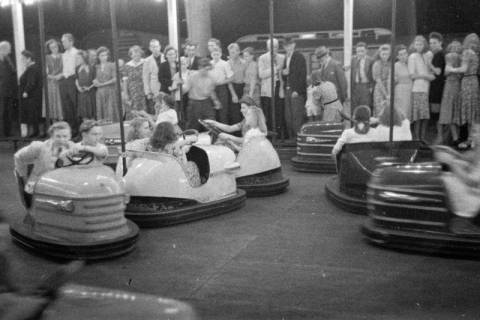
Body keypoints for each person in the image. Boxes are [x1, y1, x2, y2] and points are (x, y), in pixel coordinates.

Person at [436, 122, 480, 234]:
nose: (471, 135)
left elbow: (471, 181)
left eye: (475, 131)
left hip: (473, 195)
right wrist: (452, 153)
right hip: (471, 188)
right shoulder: (477, 148)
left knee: (441, 182)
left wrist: (451, 162)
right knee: (443, 176)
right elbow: (468, 157)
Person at [14, 121, 75, 195]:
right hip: (39, 186)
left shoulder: (74, 148)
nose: (62, 140)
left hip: (64, 187)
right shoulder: (39, 147)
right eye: (58, 136)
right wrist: (22, 177)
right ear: (52, 136)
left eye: (65, 136)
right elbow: (18, 157)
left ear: (70, 136)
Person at [203, 96, 267, 151]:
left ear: (251, 109)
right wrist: (214, 123)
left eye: (243, 108)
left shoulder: (254, 122)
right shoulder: (245, 120)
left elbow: (245, 139)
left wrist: (228, 137)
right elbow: (230, 128)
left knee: (220, 144)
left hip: (250, 149)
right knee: (220, 142)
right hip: (245, 145)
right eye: (241, 108)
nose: (241, 110)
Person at [451, 33, 480, 149]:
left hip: (467, 81)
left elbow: (463, 69)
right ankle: (472, 139)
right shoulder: (476, 55)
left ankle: (471, 140)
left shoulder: (467, 53)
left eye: (474, 42)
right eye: (471, 42)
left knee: (469, 111)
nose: (473, 44)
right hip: (474, 81)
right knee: (472, 111)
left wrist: (451, 69)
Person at [150, 121, 201, 186]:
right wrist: (192, 139)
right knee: (194, 165)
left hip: (166, 171)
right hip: (180, 174)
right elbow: (193, 139)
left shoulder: (157, 147)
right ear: (170, 133)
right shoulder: (175, 145)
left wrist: (185, 148)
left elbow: (179, 148)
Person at [182, 58, 221, 131]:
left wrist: (216, 101)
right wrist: (179, 87)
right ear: (200, 68)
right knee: (192, 126)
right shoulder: (192, 76)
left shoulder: (211, 77)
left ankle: (212, 140)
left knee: (211, 124)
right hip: (194, 104)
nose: (207, 72)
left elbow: (212, 91)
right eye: (205, 69)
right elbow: (185, 88)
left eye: (208, 69)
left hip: (207, 103)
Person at [408, 35, 435, 141]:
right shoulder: (412, 56)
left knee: (425, 116)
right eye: (417, 44)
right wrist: (425, 76)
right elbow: (412, 75)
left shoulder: (429, 55)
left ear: (424, 45)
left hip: (428, 89)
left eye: (421, 44)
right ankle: (417, 138)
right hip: (418, 89)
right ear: (414, 45)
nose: (419, 46)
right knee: (418, 116)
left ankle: (423, 138)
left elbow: (433, 74)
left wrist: (428, 76)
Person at [258, 38, 285, 134]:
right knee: (268, 113)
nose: (274, 48)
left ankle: (279, 134)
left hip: (279, 87)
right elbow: (261, 74)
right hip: (267, 90)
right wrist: (275, 69)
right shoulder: (262, 58)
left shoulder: (282, 57)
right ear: (268, 47)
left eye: (276, 46)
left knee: (279, 112)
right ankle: (269, 134)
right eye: (272, 46)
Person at [282, 37, 307, 139]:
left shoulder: (299, 56)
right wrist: (283, 73)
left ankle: (298, 139)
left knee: (297, 116)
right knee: (288, 116)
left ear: (293, 45)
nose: (287, 47)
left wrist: (297, 90)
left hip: (295, 91)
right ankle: (292, 139)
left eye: (289, 45)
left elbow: (302, 75)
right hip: (287, 89)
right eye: (285, 46)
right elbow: (286, 74)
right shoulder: (285, 58)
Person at [437, 46, 462, 145]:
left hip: (455, 86)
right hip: (449, 86)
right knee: (449, 112)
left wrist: (453, 69)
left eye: (455, 50)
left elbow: (458, 75)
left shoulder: (461, 60)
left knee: (454, 112)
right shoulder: (448, 59)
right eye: (452, 50)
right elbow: (446, 72)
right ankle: (455, 138)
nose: (453, 53)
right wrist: (452, 67)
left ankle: (456, 137)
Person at [19, 50, 42, 138]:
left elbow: (31, 82)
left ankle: (35, 132)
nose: (22, 61)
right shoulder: (31, 68)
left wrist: (26, 91)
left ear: (29, 59)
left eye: (23, 59)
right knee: (32, 114)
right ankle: (35, 132)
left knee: (33, 114)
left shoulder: (32, 68)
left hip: (32, 95)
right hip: (32, 95)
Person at [59, 33, 79, 133]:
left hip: (73, 80)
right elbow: (64, 69)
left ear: (71, 41)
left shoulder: (77, 53)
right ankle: (70, 130)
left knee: (74, 105)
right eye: (62, 41)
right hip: (65, 81)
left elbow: (77, 69)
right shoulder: (64, 54)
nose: (63, 43)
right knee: (66, 107)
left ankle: (77, 130)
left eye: (64, 41)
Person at [94, 46, 118, 122]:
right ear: (98, 57)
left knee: (110, 109)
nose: (104, 57)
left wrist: (103, 84)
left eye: (106, 55)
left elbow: (115, 79)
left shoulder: (111, 65)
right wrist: (95, 82)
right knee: (101, 110)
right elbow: (94, 78)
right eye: (102, 55)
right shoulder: (96, 67)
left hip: (109, 90)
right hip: (100, 92)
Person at [428, 32, 446, 138]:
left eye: (434, 43)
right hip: (436, 87)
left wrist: (429, 64)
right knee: (436, 114)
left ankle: (440, 138)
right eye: (430, 43)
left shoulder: (439, 55)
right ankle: (440, 137)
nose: (432, 45)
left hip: (437, 88)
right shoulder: (437, 54)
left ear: (440, 43)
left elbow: (438, 72)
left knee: (436, 114)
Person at [209, 47, 233, 124]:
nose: (216, 56)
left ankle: (224, 132)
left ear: (221, 54)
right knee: (213, 112)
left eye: (217, 54)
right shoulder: (209, 64)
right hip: (211, 89)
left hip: (222, 88)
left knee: (223, 112)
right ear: (211, 55)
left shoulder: (225, 64)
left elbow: (231, 78)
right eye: (214, 54)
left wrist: (221, 82)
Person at [350, 42, 374, 111]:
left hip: (366, 86)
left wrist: (371, 87)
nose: (360, 53)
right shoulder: (353, 60)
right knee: (355, 106)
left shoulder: (370, 60)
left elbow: (372, 75)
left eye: (362, 51)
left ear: (366, 51)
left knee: (365, 106)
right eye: (358, 51)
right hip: (356, 86)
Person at [123, 45, 146, 116]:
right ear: (130, 55)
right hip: (133, 91)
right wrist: (126, 94)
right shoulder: (127, 65)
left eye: (138, 52)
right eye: (134, 53)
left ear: (140, 53)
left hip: (144, 89)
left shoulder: (145, 62)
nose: (136, 55)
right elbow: (125, 81)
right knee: (134, 111)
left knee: (145, 110)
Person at [0, 41, 17, 137]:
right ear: (3, 49)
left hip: (8, 90)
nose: (10, 51)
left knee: (8, 112)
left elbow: (13, 71)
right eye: (8, 49)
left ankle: (7, 132)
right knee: (1, 112)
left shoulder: (8, 59)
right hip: (0, 90)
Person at [227, 43, 247, 125]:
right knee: (235, 113)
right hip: (233, 88)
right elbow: (228, 81)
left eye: (233, 52)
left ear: (238, 52)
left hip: (243, 87)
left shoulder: (244, 62)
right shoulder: (227, 64)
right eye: (230, 52)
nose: (231, 54)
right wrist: (233, 94)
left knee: (245, 111)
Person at [45, 39, 63, 122]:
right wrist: (52, 77)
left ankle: (61, 122)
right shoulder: (47, 58)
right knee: (52, 103)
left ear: (58, 46)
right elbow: (46, 72)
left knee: (60, 103)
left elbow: (66, 69)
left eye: (55, 47)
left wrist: (60, 75)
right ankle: (54, 122)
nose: (54, 49)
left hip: (61, 82)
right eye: (51, 47)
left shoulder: (63, 56)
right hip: (51, 83)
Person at [143, 39, 163, 114]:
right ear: (150, 48)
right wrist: (147, 92)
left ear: (160, 47)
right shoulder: (147, 60)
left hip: (165, 87)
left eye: (156, 46)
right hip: (154, 88)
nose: (155, 48)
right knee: (157, 109)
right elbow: (145, 78)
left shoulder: (166, 57)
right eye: (153, 47)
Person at [75, 50, 96, 121]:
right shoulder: (77, 68)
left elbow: (95, 80)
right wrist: (78, 87)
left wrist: (89, 88)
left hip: (90, 93)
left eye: (79, 58)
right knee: (84, 113)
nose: (77, 60)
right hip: (81, 93)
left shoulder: (91, 68)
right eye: (76, 58)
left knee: (91, 112)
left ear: (84, 58)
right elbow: (76, 79)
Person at [394, 45, 413, 121]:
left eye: (405, 53)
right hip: (400, 90)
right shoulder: (396, 65)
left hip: (410, 89)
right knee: (402, 110)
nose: (403, 56)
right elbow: (394, 79)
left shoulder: (411, 64)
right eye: (400, 55)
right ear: (397, 56)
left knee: (409, 110)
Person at [372, 44, 391, 117]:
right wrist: (386, 94)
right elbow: (378, 80)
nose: (385, 56)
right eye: (383, 54)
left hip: (389, 87)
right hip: (380, 89)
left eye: (387, 54)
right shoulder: (377, 64)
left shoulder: (390, 64)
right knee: (380, 111)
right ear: (379, 54)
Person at [171, 56, 191, 126]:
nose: (182, 66)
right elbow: (173, 87)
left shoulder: (190, 73)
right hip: (180, 97)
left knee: (189, 113)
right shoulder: (177, 75)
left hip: (189, 96)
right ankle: (183, 126)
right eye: (181, 64)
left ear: (187, 64)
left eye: (184, 64)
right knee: (182, 113)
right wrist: (177, 84)